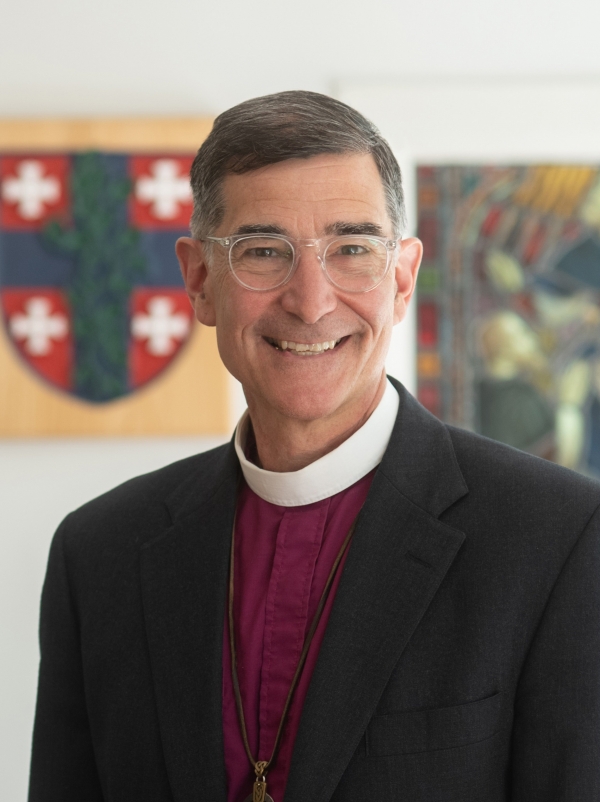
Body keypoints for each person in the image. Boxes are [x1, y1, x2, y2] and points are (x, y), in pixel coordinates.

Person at [29, 91, 600, 802]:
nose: (311, 300)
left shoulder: (557, 537)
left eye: (352, 249)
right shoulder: (99, 554)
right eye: (263, 251)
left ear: (402, 277)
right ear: (200, 281)